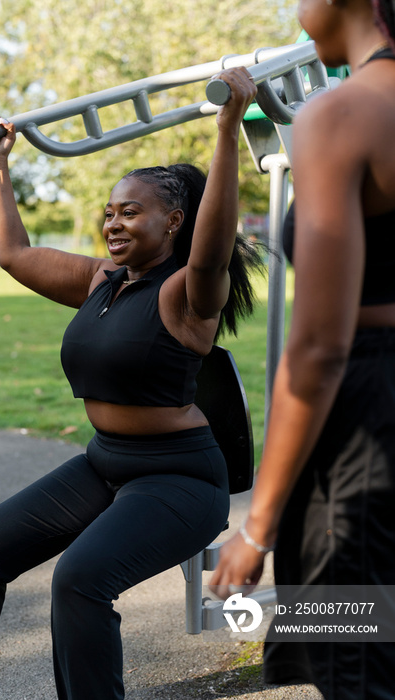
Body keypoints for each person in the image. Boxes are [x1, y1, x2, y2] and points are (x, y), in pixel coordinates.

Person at [0, 67, 259, 700]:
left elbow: (214, 248)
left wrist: (225, 128)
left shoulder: (189, 294)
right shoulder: (100, 281)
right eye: (108, 212)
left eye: (130, 212)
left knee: (80, 578)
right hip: (106, 464)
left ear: (173, 223)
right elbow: (14, 255)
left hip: (180, 480)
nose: (112, 222)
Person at [210, 1, 395, 698]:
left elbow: (318, 347)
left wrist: (256, 530)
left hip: (364, 432)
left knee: (356, 664)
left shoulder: (340, 114)